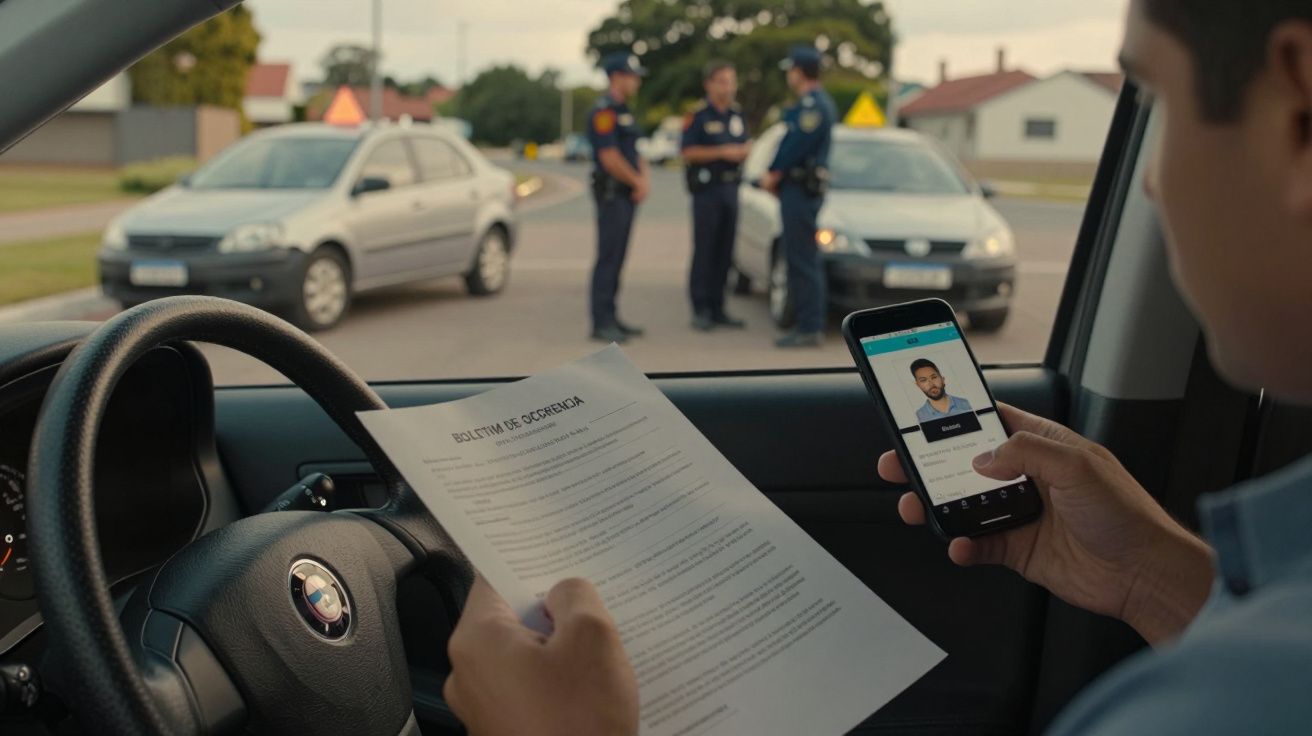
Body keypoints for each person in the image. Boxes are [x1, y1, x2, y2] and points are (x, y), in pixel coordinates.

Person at [441, 1, 1312, 732]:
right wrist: (1155, 576)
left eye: (1154, 97)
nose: (1152, 185)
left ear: (1298, 110)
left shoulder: (1219, 705)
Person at [764, 46, 837, 349]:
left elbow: (794, 146)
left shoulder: (813, 106)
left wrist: (774, 172)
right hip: (797, 190)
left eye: (790, 69)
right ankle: (804, 324)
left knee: (803, 260)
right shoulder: (811, 104)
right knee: (798, 259)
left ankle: (809, 327)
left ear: (799, 71)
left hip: (800, 191)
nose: (788, 75)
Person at [681, 60, 751, 332]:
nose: (728, 87)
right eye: (722, 81)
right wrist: (722, 152)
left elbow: (744, 143)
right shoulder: (698, 116)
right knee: (705, 249)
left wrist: (743, 151)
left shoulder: (736, 115)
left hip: (731, 188)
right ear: (709, 84)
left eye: (731, 81)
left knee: (725, 250)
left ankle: (719, 306)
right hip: (707, 190)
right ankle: (700, 308)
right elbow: (687, 152)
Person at [587, 52, 650, 344]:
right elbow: (610, 157)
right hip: (612, 194)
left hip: (626, 194)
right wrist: (637, 180)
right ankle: (601, 321)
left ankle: (612, 316)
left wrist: (642, 179)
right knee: (609, 257)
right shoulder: (605, 112)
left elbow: (635, 152)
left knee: (619, 257)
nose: (636, 82)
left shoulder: (625, 111)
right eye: (632, 76)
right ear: (616, 78)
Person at [910, 358, 974, 423]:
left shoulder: (968, 404)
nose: (931, 384)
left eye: (934, 377)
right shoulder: (919, 417)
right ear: (918, 385)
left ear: (942, 379)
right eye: (923, 380)